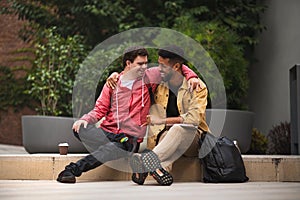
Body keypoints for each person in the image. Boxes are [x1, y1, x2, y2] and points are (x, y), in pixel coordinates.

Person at [57, 46, 200, 184]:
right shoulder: (113, 83)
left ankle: (72, 170)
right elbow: (100, 109)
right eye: (140, 64)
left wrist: (192, 76)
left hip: (130, 138)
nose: (145, 67)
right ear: (128, 63)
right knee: (80, 129)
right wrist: (85, 119)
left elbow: (175, 65)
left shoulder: (149, 77)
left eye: (146, 63)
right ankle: (114, 148)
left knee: (115, 147)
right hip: (110, 133)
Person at [130, 45, 210, 186]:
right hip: (168, 139)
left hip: (194, 141)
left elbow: (194, 119)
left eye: (163, 66)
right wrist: (115, 76)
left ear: (176, 67)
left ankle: (145, 161)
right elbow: (133, 74)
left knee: (178, 128)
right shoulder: (159, 85)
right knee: (168, 134)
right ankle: (159, 170)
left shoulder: (198, 87)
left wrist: (162, 120)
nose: (158, 69)